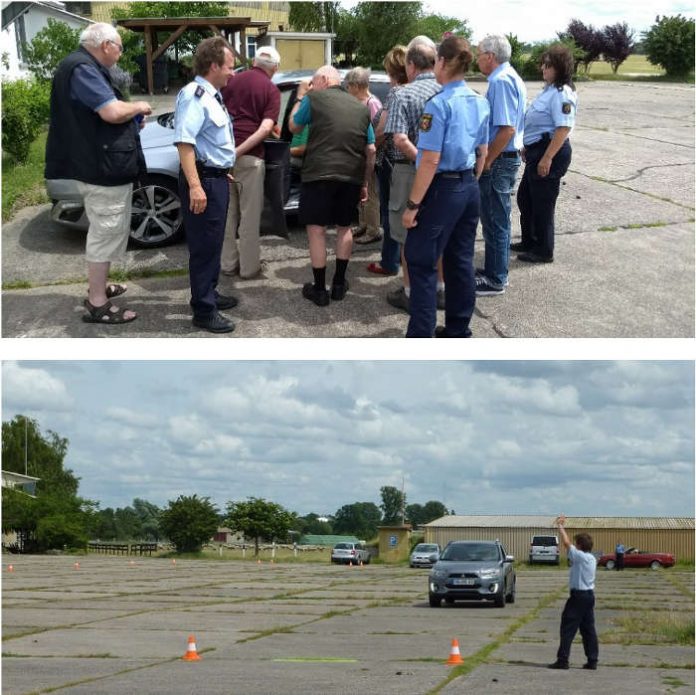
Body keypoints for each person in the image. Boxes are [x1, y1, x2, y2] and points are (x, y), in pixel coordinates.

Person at [44, 22, 152, 325]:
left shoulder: (81, 66)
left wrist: (131, 120)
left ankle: (98, 286)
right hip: (100, 168)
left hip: (98, 164)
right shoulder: (83, 69)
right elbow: (111, 112)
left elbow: (100, 117)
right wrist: (138, 107)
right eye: (119, 48)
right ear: (106, 45)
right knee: (105, 233)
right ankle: (97, 303)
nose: (119, 54)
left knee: (104, 230)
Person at [401, 36, 489, 338]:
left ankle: (421, 336)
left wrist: (412, 206)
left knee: (421, 261)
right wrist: (469, 184)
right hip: (467, 186)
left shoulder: (438, 105)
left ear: (442, 62)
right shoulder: (479, 100)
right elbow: (483, 152)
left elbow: (429, 161)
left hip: (442, 188)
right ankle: (458, 329)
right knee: (460, 260)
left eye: (437, 59)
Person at [289, 65, 376, 306]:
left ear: (324, 80)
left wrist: (300, 96)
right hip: (350, 177)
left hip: (318, 175)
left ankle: (319, 290)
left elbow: (293, 126)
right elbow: (371, 149)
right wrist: (365, 183)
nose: (313, 85)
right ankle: (338, 284)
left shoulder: (313, 98)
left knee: (316, 230)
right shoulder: (361, 108)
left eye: (314, 81)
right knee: (344, 228)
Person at [174, 36, 238, 333]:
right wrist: (196, 186)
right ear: (214, 66)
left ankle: (209, 293)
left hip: (215, 177)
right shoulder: (195, 95)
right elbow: (185, 143)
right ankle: (203, 310)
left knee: (212, 244)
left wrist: (221, 169)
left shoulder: (211, 95)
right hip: (204, 181)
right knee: (204, 248)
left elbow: (206, 141)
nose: (232, 72)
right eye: (229, 66)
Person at [384, 36, 444, 314]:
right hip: (443, 172)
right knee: (437, 232)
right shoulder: (448, 90)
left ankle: (410, 292)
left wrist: (422, 161)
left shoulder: (402, 93)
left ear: (411, 65)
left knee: (407, 233)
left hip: (409, 171)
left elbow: (398, 139)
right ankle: (441, 290)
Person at [221, 46, 281, 279]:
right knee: (249, 217)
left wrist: (228, 152)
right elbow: (266, 128)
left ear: (254, 62)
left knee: (227, 216)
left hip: (222, 156)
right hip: (249, 158)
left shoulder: (231, 80)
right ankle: (248, 269)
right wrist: (239, 151)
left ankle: (227, 265)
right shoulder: (270, 89)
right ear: (274, 68)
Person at [515, 44, 577, 264]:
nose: (543, 68)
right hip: (537, 150)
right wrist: (528, 146)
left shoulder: (563, 94)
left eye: (548, 65)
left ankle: (544, 250)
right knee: (525, 198)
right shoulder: (549, 89)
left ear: (560, 68)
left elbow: (563, 128)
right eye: (543, 63)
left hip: (550, 151)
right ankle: (530, 240)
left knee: (543, 204)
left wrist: (547, 158)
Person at [475, 34, 526, 297]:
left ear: (490, 56)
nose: (477, 58)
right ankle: (494, 271)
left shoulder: (501, 81)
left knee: (495, 221)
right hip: (504, 158)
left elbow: (506, 129)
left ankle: (495, 278)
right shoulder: (507, 77)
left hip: (500, 160)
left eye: (479, 54)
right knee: (496, 219)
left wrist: (487, 162)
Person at [367, 45, 408, 277]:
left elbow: (383, 131)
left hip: (391, 162)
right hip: (407, 161)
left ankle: (389, 262)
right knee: (404, 211)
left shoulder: (396, 93)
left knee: (390, 213)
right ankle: (403, 258)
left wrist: (372, 147)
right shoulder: (416, 90)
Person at [549, 515, 599, 671]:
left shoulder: (580, 557)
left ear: (580, 546)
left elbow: (566, 543)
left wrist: (560, 527)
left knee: (567, 627)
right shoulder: (591, 558)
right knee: (588, 629)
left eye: (577, 544)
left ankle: (562, 660)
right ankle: (592, 660)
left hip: (578, 597)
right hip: (589, 596)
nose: (574, 546)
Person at [345, 67, 383, 245]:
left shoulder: (372, 103)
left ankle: (373, 229)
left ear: (356, 86)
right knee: (361, 192)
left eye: (349, 85)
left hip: (369, 157)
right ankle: (363, 224)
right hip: (358, 156)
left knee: (371, 193)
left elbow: (376, 134)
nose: (347, 89)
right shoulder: (360, 102)